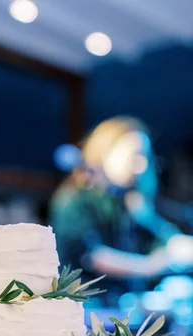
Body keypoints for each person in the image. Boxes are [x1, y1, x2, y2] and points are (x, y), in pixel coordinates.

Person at [50, 117, 193, 306]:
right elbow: (92, 257)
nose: (141, 166)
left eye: (145, 158)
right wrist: (149, 266)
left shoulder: (127, 202)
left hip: (122, 308)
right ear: (106, 152)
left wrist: (169, 243)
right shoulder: (74, 198)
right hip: (86, 310)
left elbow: (154, 240)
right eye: (135, 155)